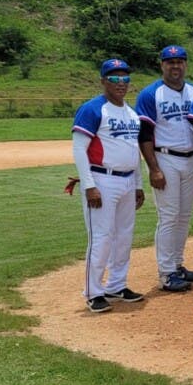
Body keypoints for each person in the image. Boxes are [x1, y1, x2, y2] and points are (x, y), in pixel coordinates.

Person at [72, 58, 146, 313]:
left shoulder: (131, 113)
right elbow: (79, 149)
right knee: (101, 238)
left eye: (125, 78)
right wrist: (89, 186)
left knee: (124, 236)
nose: (120, 83)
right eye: (114, 78)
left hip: (126, 180)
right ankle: (93, 292)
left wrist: (138, 184)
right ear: (103, 80)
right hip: (101, 179)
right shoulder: (93, 109)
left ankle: (116, 284)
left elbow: (133, 151)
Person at [135, 45, 193, 292]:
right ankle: (166, 273)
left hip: (191, 157)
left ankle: (177, 264)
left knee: (184, 216)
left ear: (186, 64)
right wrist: (154, 168)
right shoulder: (151, 94)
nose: (175, 66)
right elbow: (145, 134)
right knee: (169, 216)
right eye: (170, 61)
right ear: (162, 65)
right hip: (165, 159)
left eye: (180, 61)